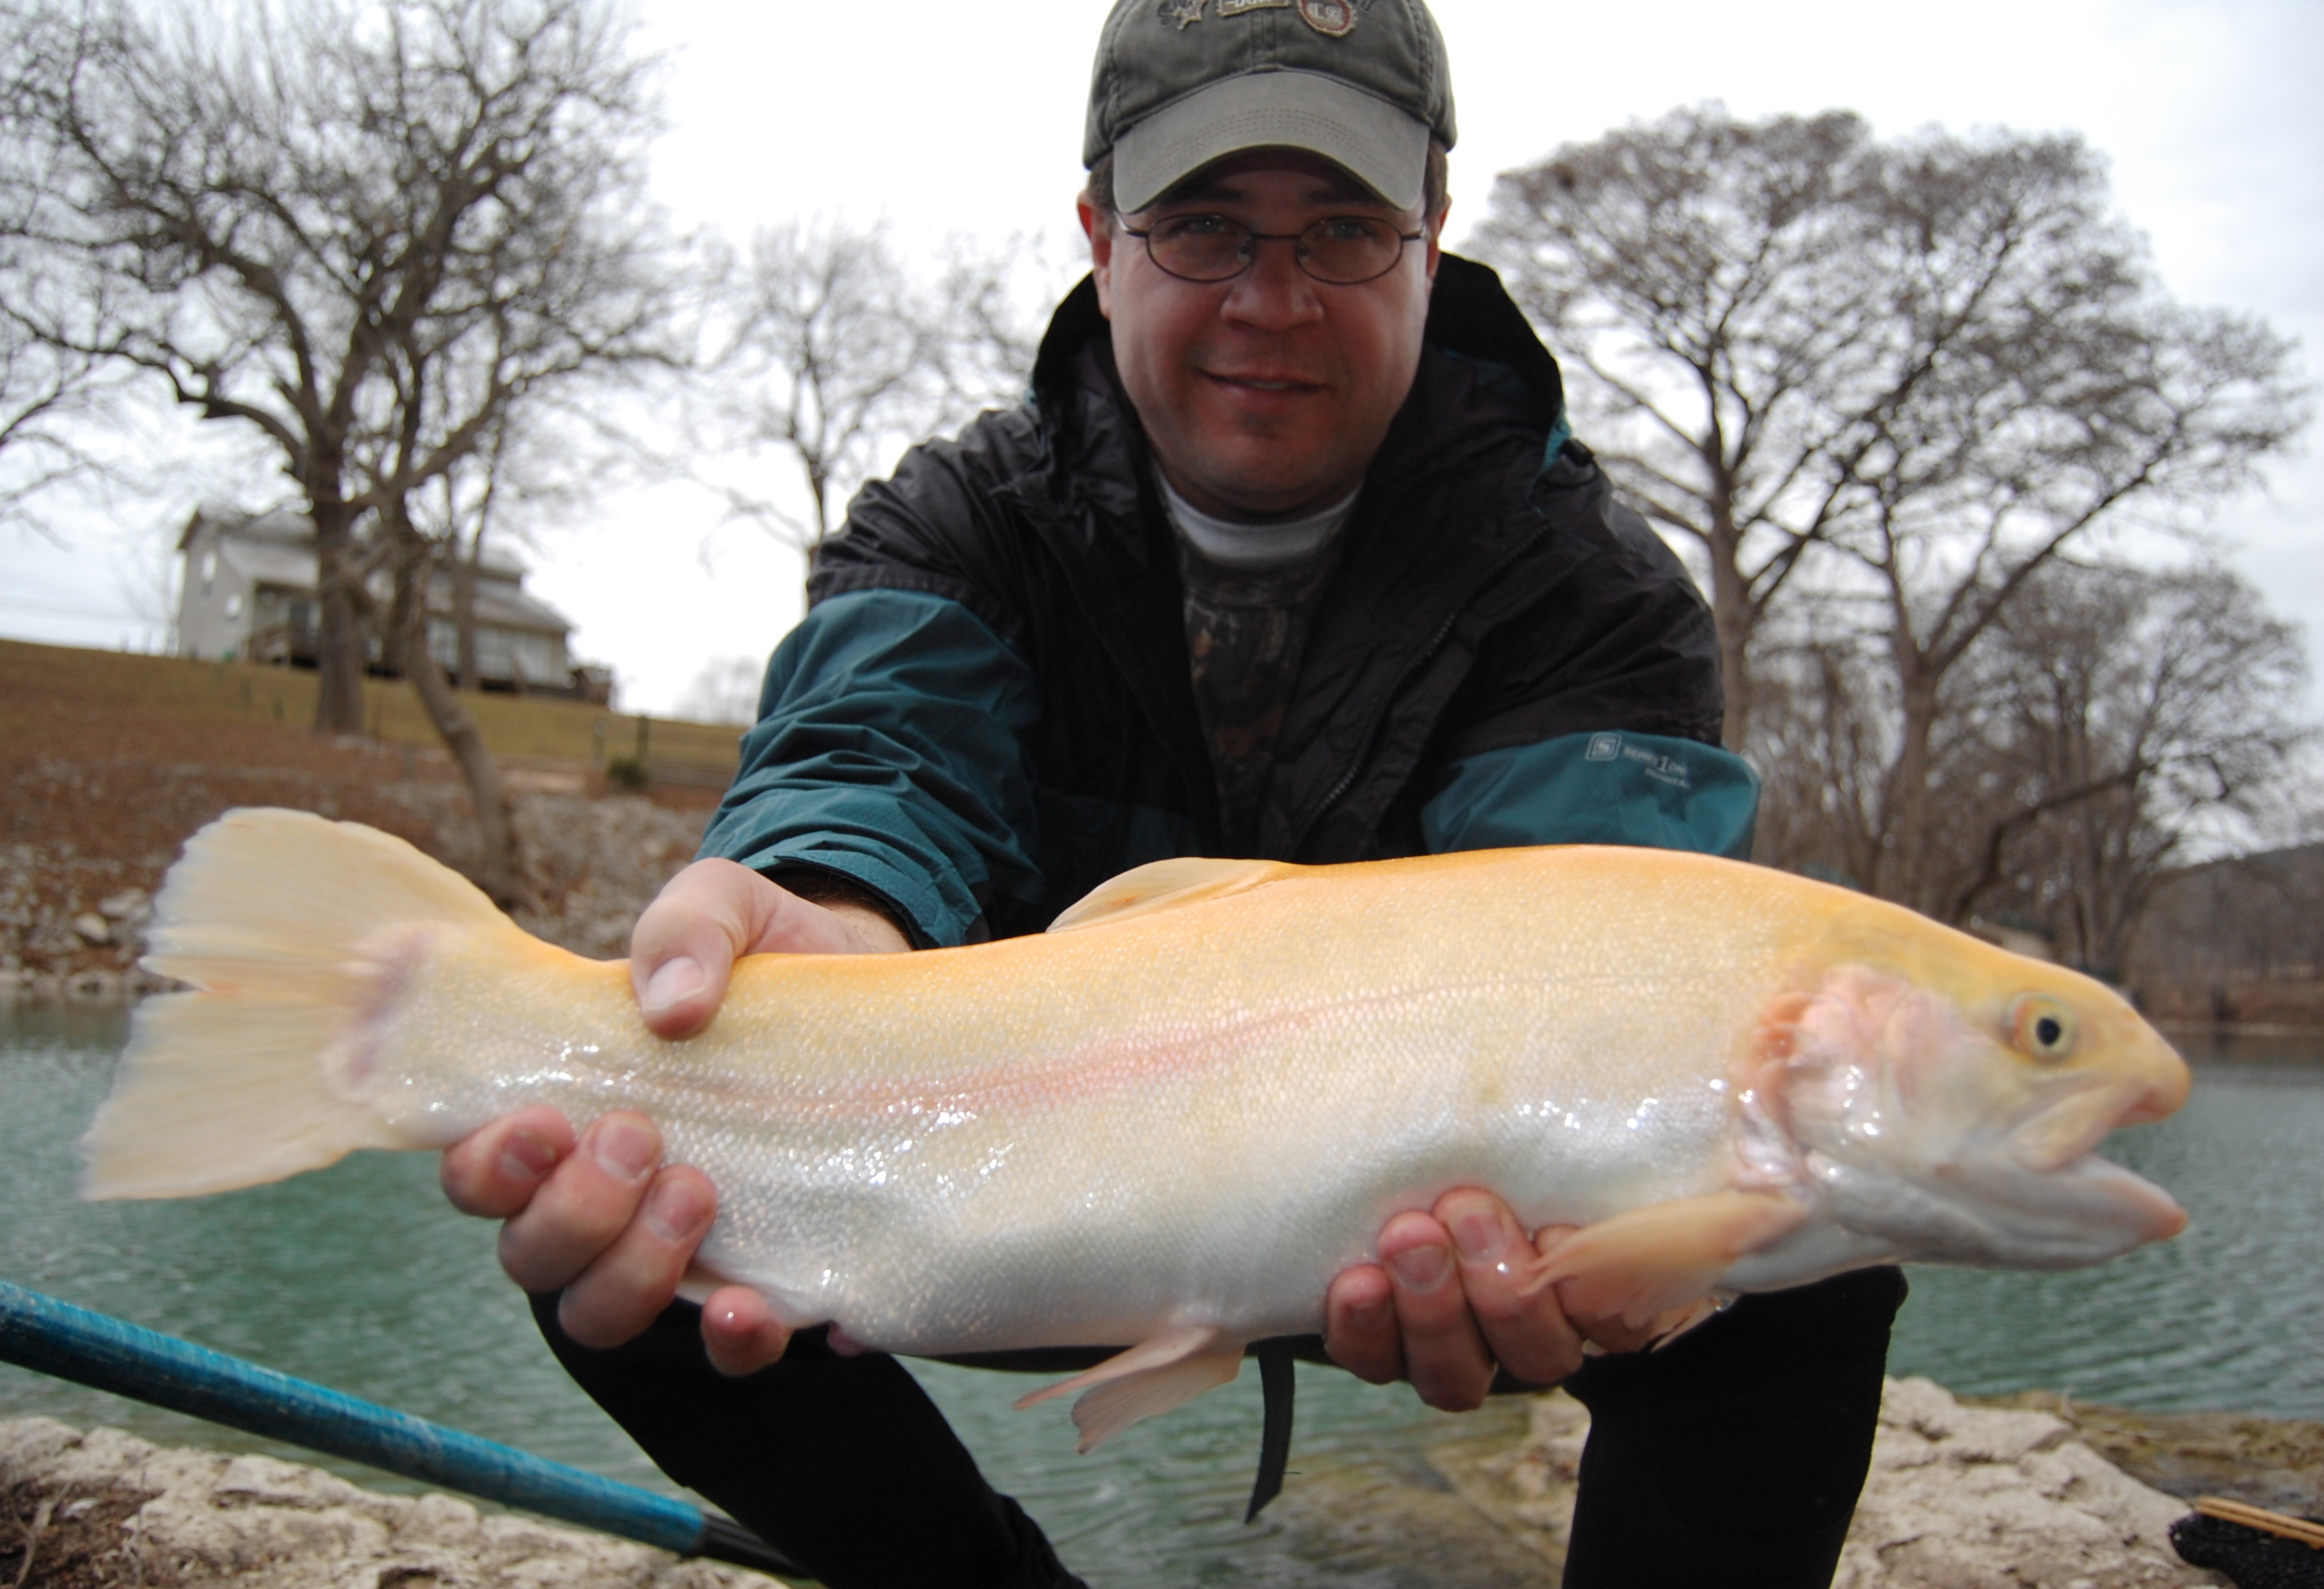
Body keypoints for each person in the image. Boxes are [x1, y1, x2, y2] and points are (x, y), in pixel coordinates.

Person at [441, 2, 1905, 1583]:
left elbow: (1618, 935)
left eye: (1341, 229)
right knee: (619, 1212)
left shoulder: (1586, 591)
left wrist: (1610, 1223)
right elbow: (874, 754)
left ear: (1432, 233)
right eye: (1202, 225)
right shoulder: (957, 524)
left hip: (1434, 1236)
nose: (1269, 300)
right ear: (1098, 234)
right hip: (1019, 1203)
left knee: (1801, 1247)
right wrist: (833, 903)